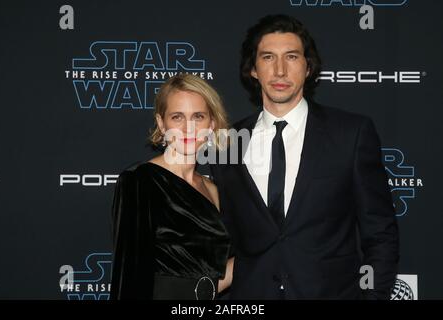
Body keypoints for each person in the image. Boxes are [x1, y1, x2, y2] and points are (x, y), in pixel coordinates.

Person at [210, 14, 399, 299]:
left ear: (308, 67)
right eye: (268, 57)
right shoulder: (226, 144)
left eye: (292, 57)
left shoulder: (351, 134)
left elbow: (381, 235)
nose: (280, 71)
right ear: (253, 69)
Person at [110, 74, 233, 300]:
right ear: (161, 123)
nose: (188, 128)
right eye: (177, 117)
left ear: (212, 124)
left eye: (198, 116)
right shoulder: (140, 181)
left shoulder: (213, 189)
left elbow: (211, 278)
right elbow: (128, 275)